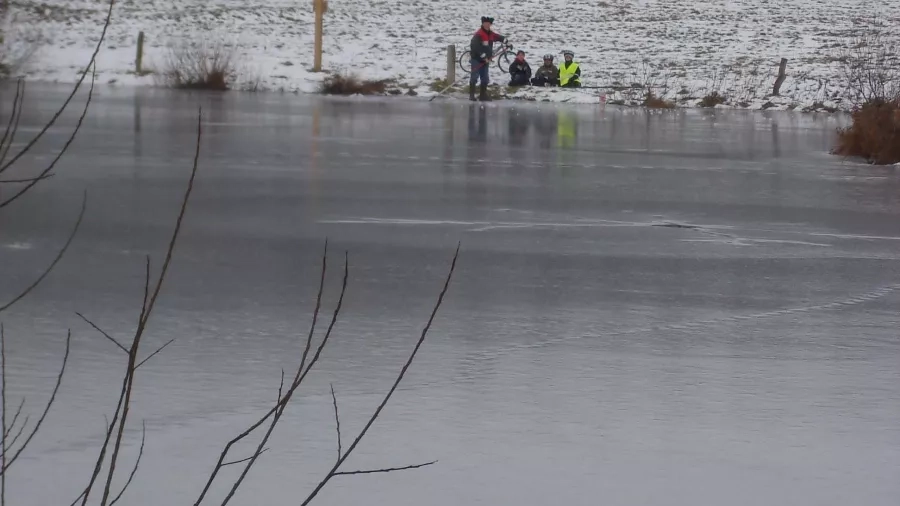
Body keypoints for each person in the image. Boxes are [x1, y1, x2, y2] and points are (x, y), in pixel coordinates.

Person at [469, 16, 507, 101]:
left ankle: (483, 95)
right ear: (482, 24)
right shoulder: (479, 34)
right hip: (477, 59)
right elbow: (475, 46)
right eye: (485, 23)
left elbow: (498, 37)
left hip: (486, 60)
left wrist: (506, 41)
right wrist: (483, 56)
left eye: (488, 24)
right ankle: (471, 95)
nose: (487, 25)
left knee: (485, 78)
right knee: (474, 77)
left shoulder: (491, 34)